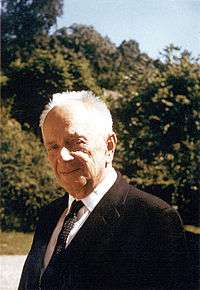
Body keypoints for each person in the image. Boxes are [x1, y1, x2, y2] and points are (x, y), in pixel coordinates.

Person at [19, 91, 191, 290]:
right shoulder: (50, 214)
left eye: (75, 143)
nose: (63, 157)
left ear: (109, 145)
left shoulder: (153, 219)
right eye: (53, 146)